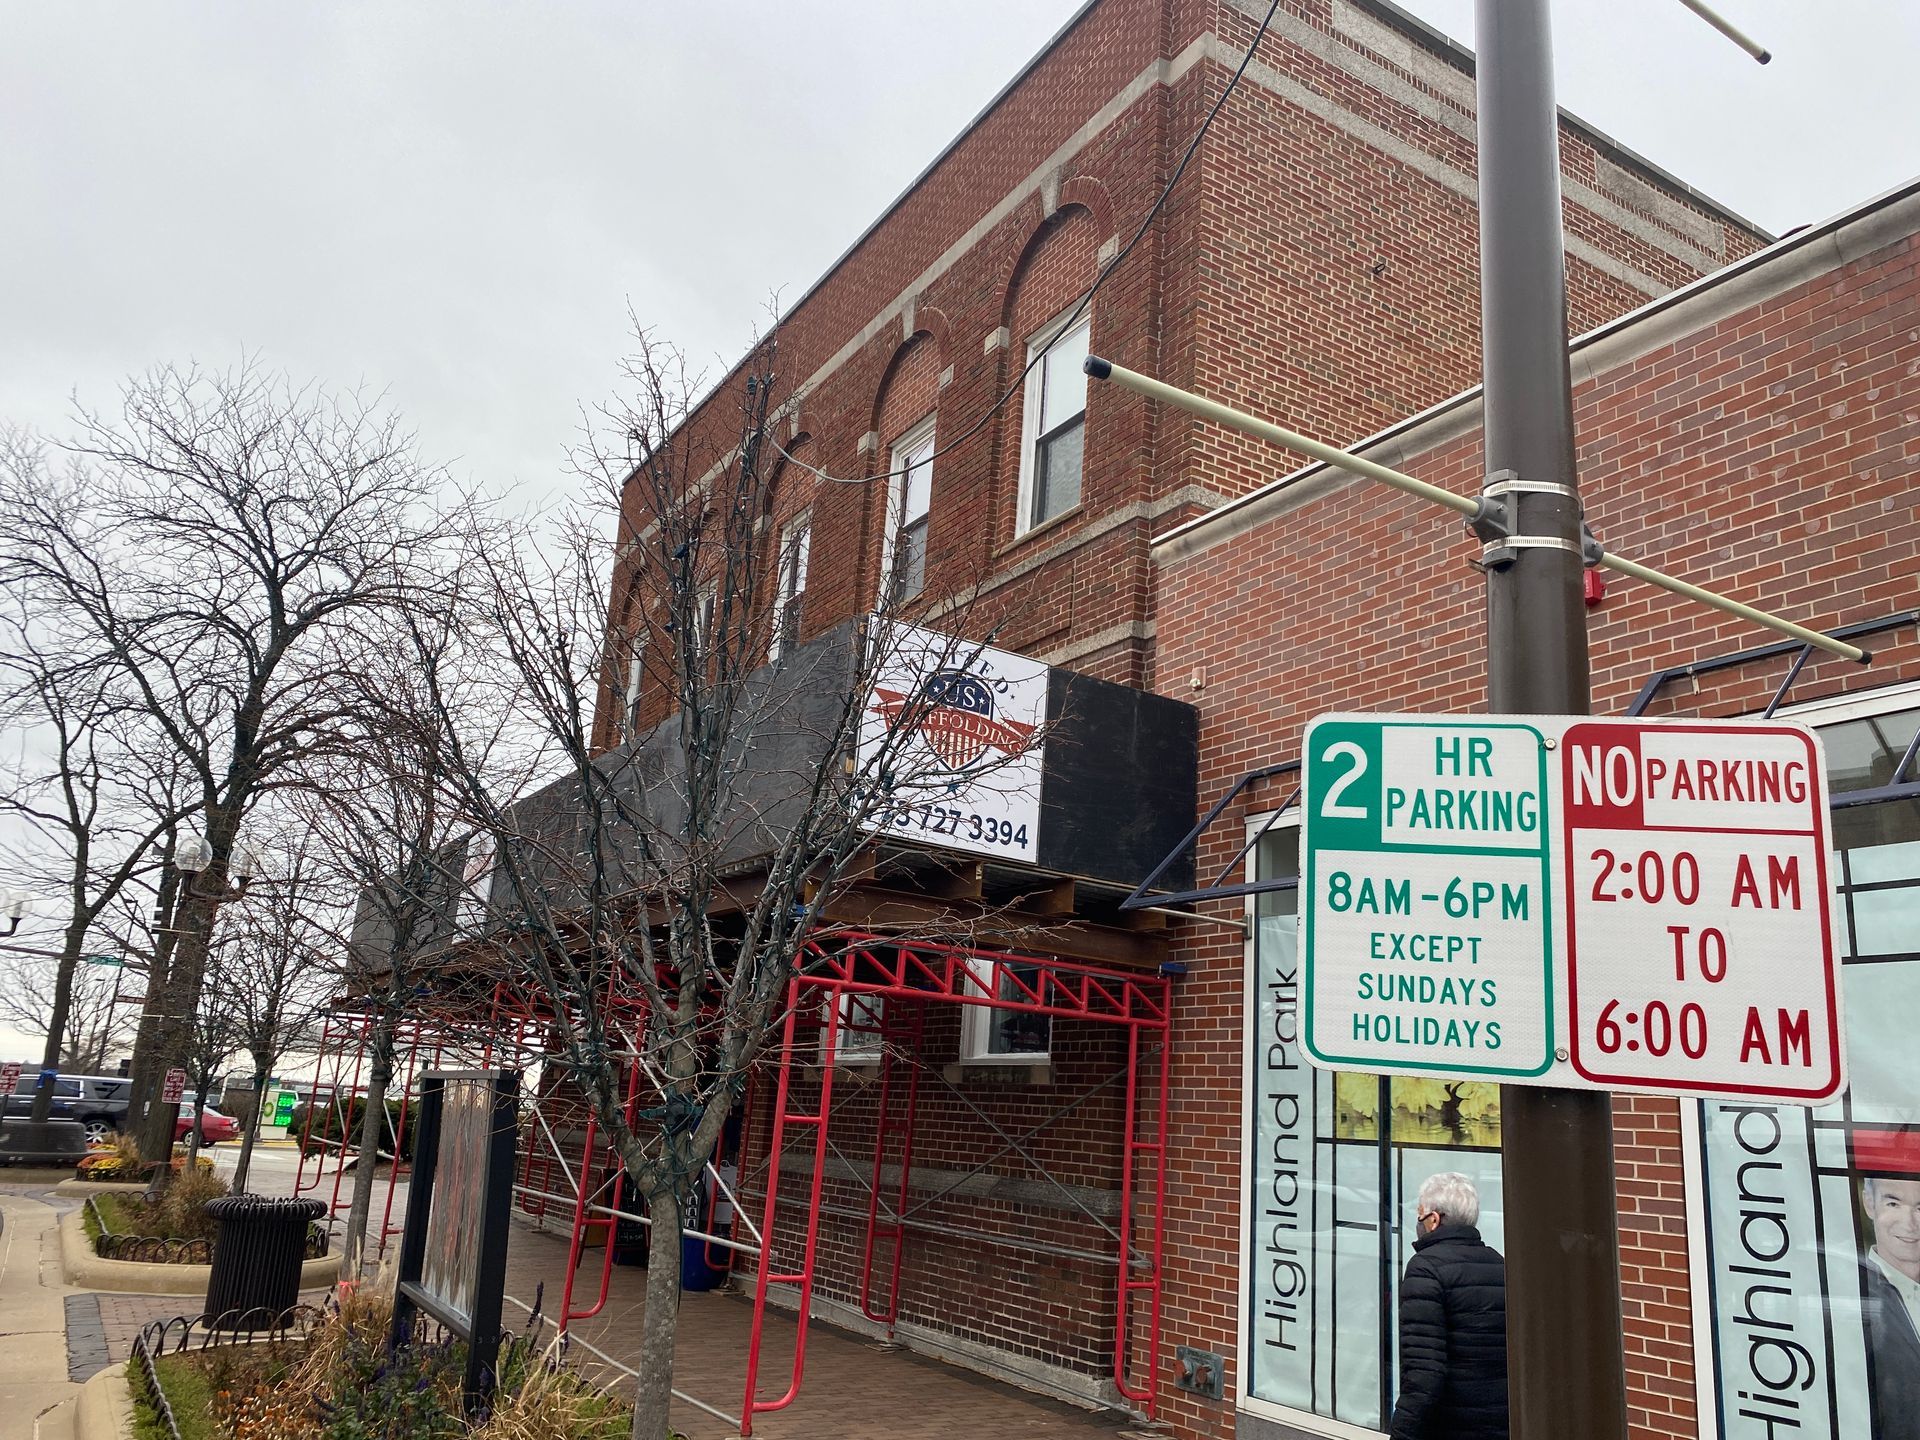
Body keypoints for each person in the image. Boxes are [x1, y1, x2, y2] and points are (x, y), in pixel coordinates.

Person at [1388, 1171, 1508, 1440]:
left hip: (1450, 1425)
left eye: (1420, 1214)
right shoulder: (1499, 1264)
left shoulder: (1425, 1269)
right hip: (1501, 1422)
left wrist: (1402, 1432)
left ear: (1433, 1220)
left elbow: (1424, 1372)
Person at [1860, 1176, 1920, 1440]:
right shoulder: (1853, 1294)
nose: (1910, 1224)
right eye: (1893, 1203)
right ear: (1869, 1204)